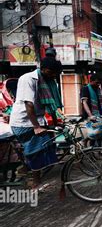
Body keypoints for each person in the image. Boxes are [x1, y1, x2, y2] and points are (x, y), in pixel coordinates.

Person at [9, 56, 63, 189]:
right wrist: (37, 127)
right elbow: (29, 104)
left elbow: (51, 105)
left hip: (36, 119)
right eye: (51, 73)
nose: (53, 76)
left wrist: (56, 123)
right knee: (37, 149)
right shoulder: (28, 79)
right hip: (22, 122)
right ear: (43, 69)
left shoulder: (47, 81)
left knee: (49, 143)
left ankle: (28, 168)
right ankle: (35, 181)